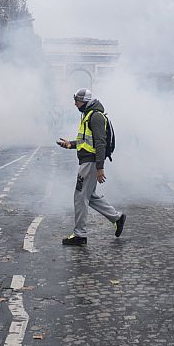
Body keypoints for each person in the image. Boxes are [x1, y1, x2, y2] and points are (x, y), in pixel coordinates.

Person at [55, 88, 125, 246]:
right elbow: (87, 141)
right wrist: (70, 144)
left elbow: (100, 143)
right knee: (89, 196)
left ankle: (80, 235)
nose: (75, 104)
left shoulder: (96, 117)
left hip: (91, 163)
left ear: (84, 102)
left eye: (77, 101)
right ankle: (117, 218)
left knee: (80, 197)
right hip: (89, 162)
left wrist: (100, 167)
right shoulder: (88, 115)